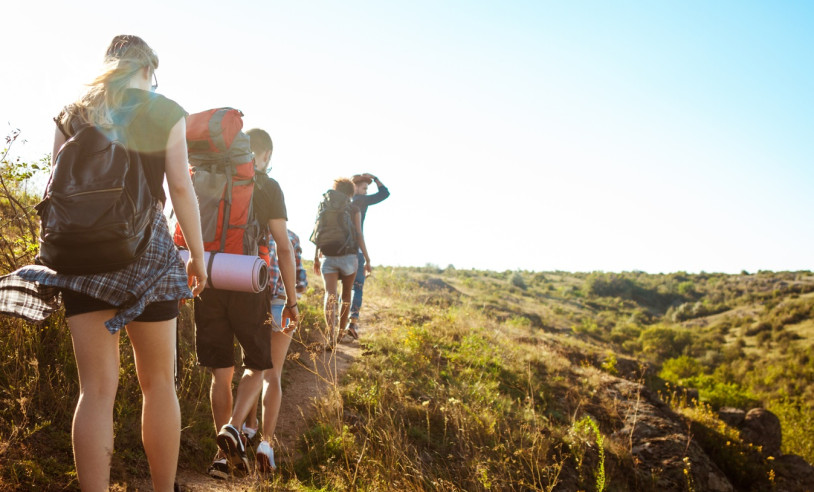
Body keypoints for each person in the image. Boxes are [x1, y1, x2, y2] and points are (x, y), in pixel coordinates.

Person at [0, 35, 207, 492]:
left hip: (80, 260)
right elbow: (180, 190)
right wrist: (198, 256)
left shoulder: (72, 113)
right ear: (148, 69)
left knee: (94, 390)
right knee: (158, 384)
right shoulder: (163, 110)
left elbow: (56, 194)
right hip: (147, 254)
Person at [197, 127, 299, 478]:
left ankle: (222, 459)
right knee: (257, 366)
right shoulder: (268, 185)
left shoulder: (211, 177)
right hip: (249, 281)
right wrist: (292, 300)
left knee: (220, 373)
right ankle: (234, 427)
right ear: (265, 155)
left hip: (210, 278)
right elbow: (283, 247)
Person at [242, 228, 307, 470]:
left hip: (251, 305)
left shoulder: (249, 231)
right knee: (273, 375)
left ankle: (247, 427)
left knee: (252, 368)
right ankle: (266, 444)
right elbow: (300, 283)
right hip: (282, 305)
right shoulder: (290, 237)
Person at [314, 178, 371, 349]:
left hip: (328, 256)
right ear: (350, 192)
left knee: (329, 295)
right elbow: (359, 235)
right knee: (346, 294)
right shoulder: (354, 208)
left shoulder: (324, 206)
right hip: (349, 257)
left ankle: (330, 335)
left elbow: (317, 232)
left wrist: (316, 256)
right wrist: (367, 259)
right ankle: (340, 333)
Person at [347, 173, 390, 339]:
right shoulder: (360, 201)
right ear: (356, 187)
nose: (365, 192)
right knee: (357, 287)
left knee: (343, 289)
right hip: (355, 251)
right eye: (364, 188)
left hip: (339, 251)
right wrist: (376, 178)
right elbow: (384, 194)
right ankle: (353, 322)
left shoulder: (344, 202)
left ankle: (338, 324)